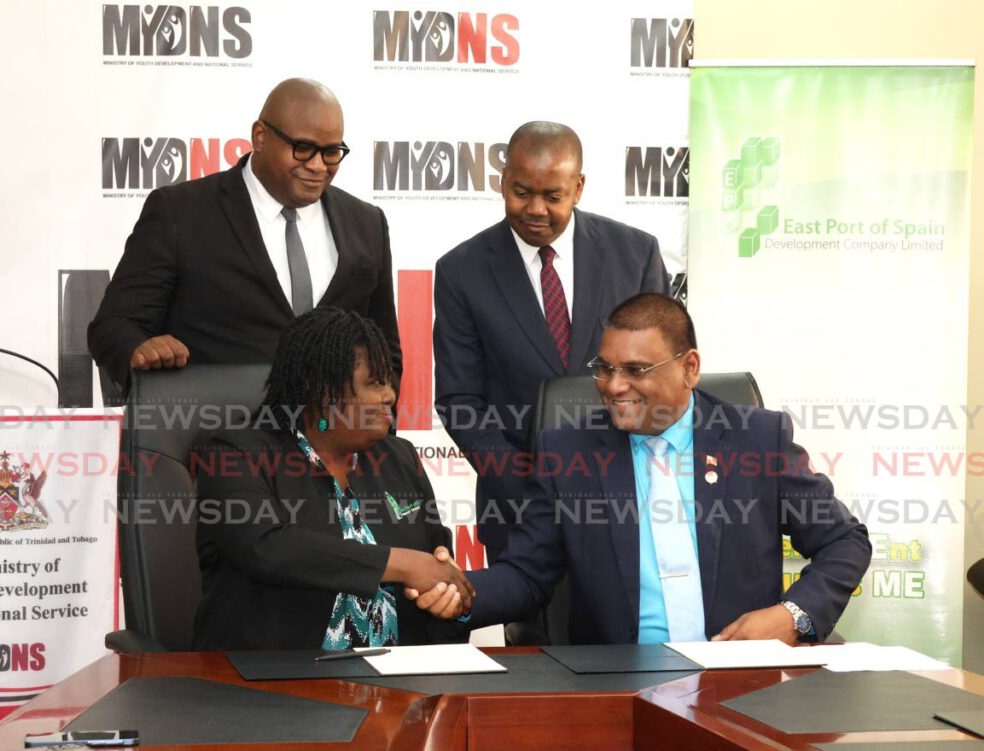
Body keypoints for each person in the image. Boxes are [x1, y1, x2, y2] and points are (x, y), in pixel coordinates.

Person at [412, 293, 872, 645]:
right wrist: (461, 590)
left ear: (689, 367)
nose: (614, 387)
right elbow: (528, 575)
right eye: (605, 368)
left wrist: (791, 616)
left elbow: (844, 541)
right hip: (619, 687)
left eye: (635, 370)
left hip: (738, 677)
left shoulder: (757, 439)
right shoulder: (567, 453)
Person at [433, 121, 670, 561]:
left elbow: (661, 377)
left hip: (629, 497)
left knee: (628, 630)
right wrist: (531, 488)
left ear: (578, 188)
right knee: (530, 631)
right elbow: (460, 400)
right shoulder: (460, 271)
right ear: (502, 182)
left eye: (553, 196)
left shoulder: (636, 254)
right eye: (521, 192)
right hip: (518, 511)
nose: (535, 209)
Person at [89, 78, 401, 393]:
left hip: (331, 436)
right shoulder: (181, 212)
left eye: (332, 152)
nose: (318, 166)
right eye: (303, 148)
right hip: (212, 433)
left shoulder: (366, 223)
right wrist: (139, 350)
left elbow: (384, 349)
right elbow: (113, 326)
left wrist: (373, 432)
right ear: (260, 136)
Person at [192, 308, 469, 650]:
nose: (390, 396)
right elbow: (266, 546)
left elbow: (438, 564)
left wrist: (449, 600)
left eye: (389, 382)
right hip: (270, 684)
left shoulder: (399, 457)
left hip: (399, 682)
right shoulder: (235, 454)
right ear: (320, 388)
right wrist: (403, 564)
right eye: (375, 383)